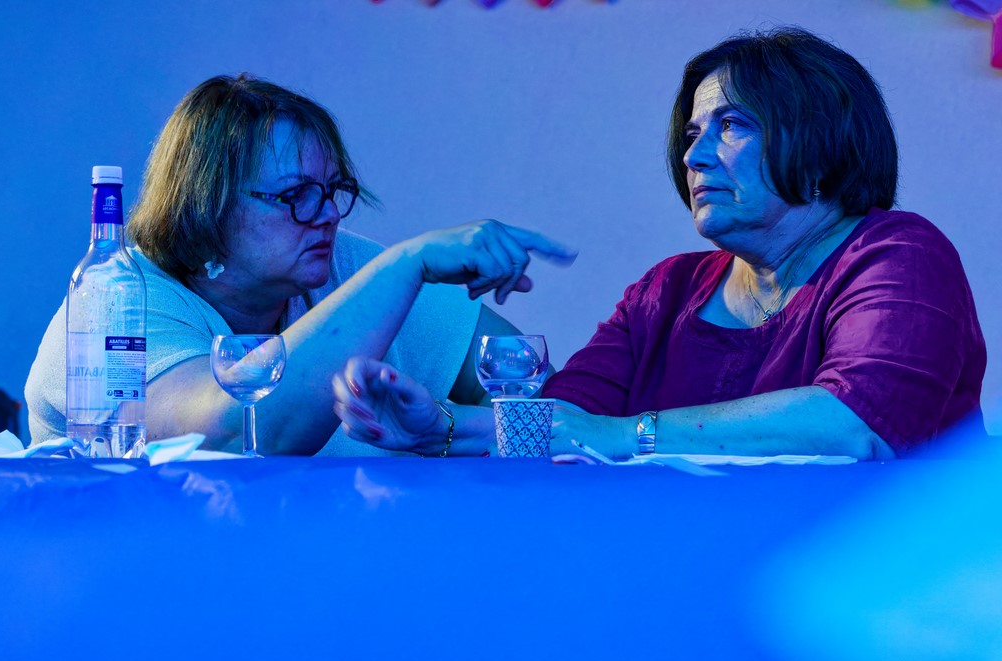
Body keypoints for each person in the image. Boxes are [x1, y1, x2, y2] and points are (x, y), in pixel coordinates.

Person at [332, 26, 986, 460]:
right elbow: (566, 419)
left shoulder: (899, 254)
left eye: (731, 125)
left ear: (819, 143)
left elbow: (854, 427)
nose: (694, 156)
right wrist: (441, 427)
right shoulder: (667, 288)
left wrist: (627, 436)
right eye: (693, 134)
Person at [25, 74, 577, 456]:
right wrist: (408, 262)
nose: (328, 215)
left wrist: (450, 431)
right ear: (207, 206)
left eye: (333, 190)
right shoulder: (114, 301)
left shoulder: (343, 263)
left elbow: (547, 396)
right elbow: (234, 438)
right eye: (296, 195)